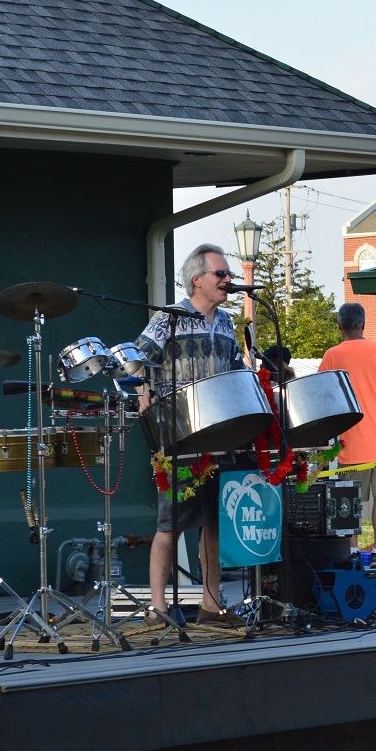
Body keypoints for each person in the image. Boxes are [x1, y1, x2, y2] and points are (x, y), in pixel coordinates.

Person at [134, 243, 245, 623]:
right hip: (179, 434)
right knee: (171, 523)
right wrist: (143, 391)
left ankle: (211, 604)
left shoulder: (228, 322)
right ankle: (158, 608)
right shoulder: (171, 318)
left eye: (228, 274)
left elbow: (236, 371)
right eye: (220, 274)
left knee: (214, 522)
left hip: (220, 433)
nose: (228, 280)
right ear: (196, 279)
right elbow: (135, 358)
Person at [319, 303, 376, 567]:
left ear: (339, 326)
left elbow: (323, 393)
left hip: (352, 441)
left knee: (349, 499)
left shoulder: (332, 355)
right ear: (363, 324)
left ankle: (354, 551)